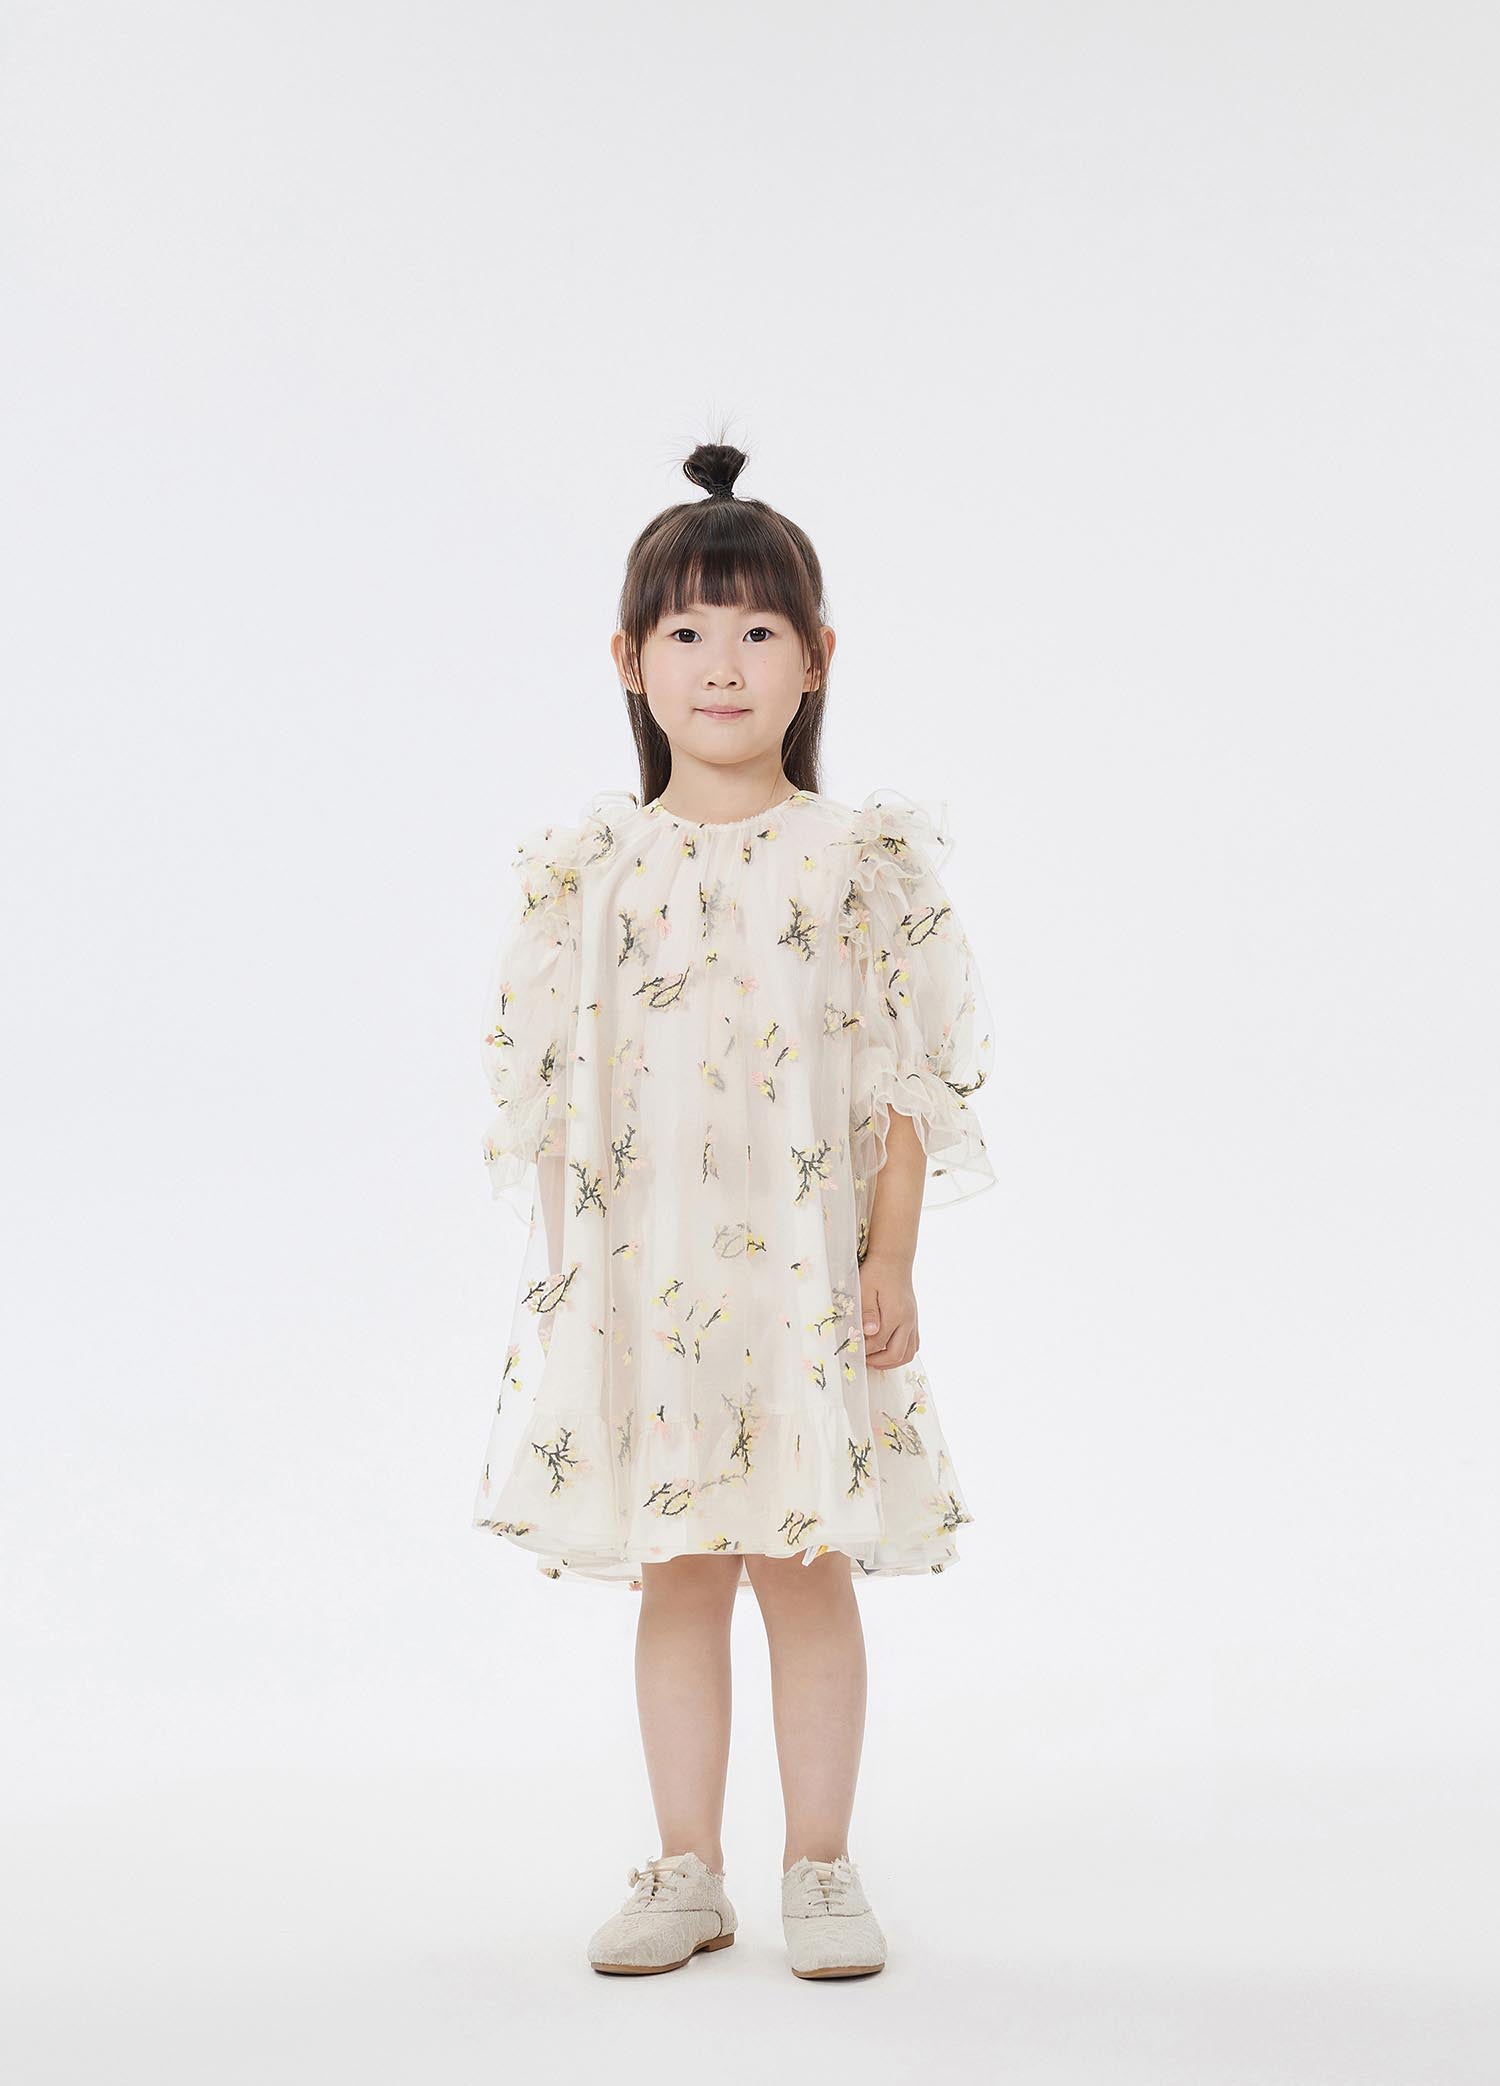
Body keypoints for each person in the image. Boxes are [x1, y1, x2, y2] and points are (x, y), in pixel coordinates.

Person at [471, 439, 997, 1978]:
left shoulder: (856, 862)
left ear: (816, 657)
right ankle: (686, 1867)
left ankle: (819, 1864)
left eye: (759, 629)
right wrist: (576, 1288)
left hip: (804, 1291)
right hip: (652, 1293)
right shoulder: (593, 871)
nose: (722, 663)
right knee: (682, 1571)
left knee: (807, 1565)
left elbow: (904, 1080)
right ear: (629, 660)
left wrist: (892, 1252)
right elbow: (555, 1095)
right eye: (688, 630)